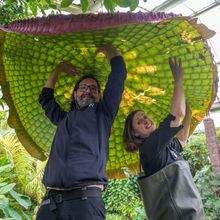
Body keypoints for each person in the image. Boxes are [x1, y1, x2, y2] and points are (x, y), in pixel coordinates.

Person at [36, 45, 127, 220]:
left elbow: (119, 73)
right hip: (50, 204)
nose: (88, 91)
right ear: (75, 93)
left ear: (100, 96)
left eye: (93, 88)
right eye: (83, 87)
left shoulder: (104, 113)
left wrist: (110, 50)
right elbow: (45, 98)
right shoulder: (63, 119)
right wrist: (59, 68)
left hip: (85, 203)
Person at [123, 57, 205, 220]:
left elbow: (181, 139)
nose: (146, 120)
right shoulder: (149, 147)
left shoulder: (163, 145)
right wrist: (178, 80)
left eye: (145, 116)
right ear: (136, 135)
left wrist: (190, 111)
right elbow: (177, 116)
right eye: (139, 121)